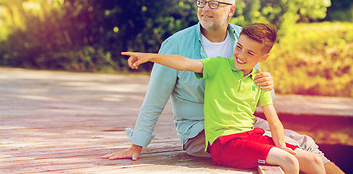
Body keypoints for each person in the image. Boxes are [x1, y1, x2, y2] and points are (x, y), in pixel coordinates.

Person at [102, 0, 343, 173]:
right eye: (202, 2)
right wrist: (137, 145)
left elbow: (257, 86)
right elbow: (154, 100)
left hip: (242, 125)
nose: (205, 9)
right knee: (289, 155)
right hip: (203, 134)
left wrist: (269, 83)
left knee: (306, 144)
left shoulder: (245, 39)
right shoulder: (175, 44)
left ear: (231, 10)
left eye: (213, 3)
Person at [120, 23, 326, 173]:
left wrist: (280, 145)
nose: (241, 56)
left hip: (250, 135)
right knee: (288, 162)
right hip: (224, 143)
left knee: (314, 162)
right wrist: (151, 56)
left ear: (263, 58)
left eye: (250, 53)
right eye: (239, 47)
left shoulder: (259, 80)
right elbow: (183, 62)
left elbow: (274, 121)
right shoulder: (218, 66)